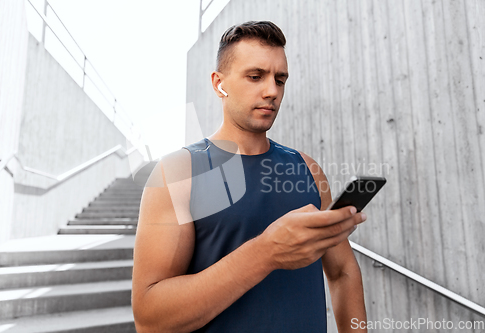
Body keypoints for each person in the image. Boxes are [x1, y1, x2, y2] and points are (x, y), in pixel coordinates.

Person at [132, 21, 367, 333]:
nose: (271, 91)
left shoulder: (308, 168)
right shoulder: (179, 171)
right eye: (255, 77)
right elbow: (150, 320)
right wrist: (266, 252)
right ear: (219, 84)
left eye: (280, 80)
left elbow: (343, 271)